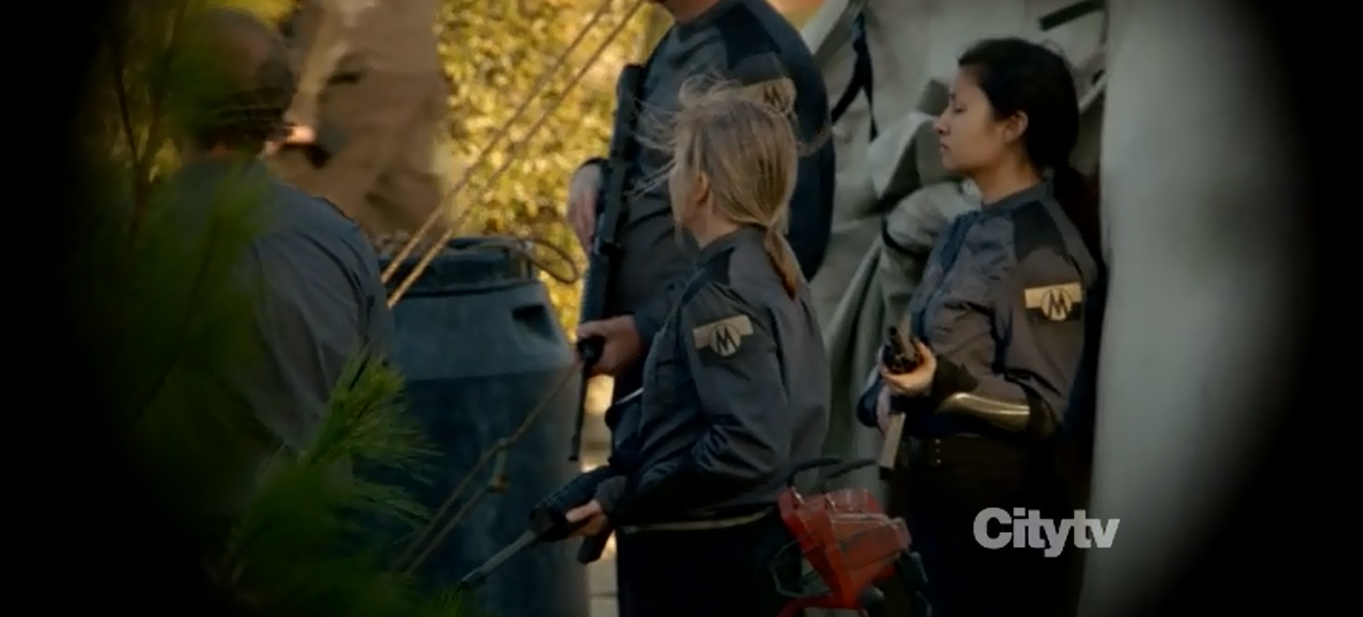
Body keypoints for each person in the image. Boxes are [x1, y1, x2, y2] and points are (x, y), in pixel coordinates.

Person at [855, 38, 1104, 617]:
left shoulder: (1042, 251)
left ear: (1012, 126)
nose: (939, 123)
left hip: (1001, 528)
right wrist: (885, 394)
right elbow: (923, 349)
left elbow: (1045, 410)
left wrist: (939, 383)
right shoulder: (960, 231)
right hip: (931, 510)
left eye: (959, 108)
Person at [562, 80, 831, 617]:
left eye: (679, 164)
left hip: (703, 560)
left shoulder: (721, 291)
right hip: (752, 541)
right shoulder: (771, 265)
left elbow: (744, 445)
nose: (671, 179)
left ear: (701, 185)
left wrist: (629, 496)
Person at [165, 6, 395, 532]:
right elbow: (374, 407)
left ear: (171, 102)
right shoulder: (338, 240)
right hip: (310, 543)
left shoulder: (121, 239)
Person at [568, 0, 835, 400]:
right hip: (654, 359)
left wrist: (647, 328)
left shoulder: (751, 57)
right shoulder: (679, 39)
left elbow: (782, 241)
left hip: (711, 368)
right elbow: (653, 167)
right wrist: (595, 174)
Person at [271, 0, 447, 240]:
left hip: (359, 80)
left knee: (310, 197)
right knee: (405, 201)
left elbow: (332, 14)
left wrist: (300, 104)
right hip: (415, 68)